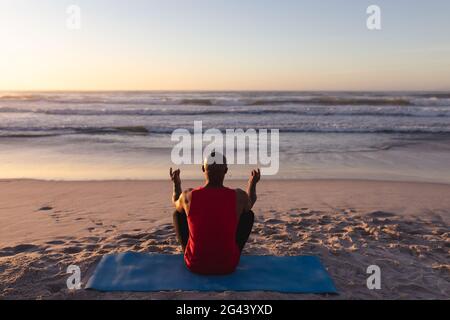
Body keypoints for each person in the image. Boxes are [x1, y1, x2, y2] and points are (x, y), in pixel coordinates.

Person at [170, 151, 260, 275]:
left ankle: (188, 251)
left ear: (203, 169)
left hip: (195, 265)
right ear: (226, 170)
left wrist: (176, 184)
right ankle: (233, 252)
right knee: (248, 214)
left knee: (178, 213)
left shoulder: (188, 196)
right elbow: (251, 201)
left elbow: (175, 200)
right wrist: (252, 183)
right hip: (228, 266)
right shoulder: (238, 196)